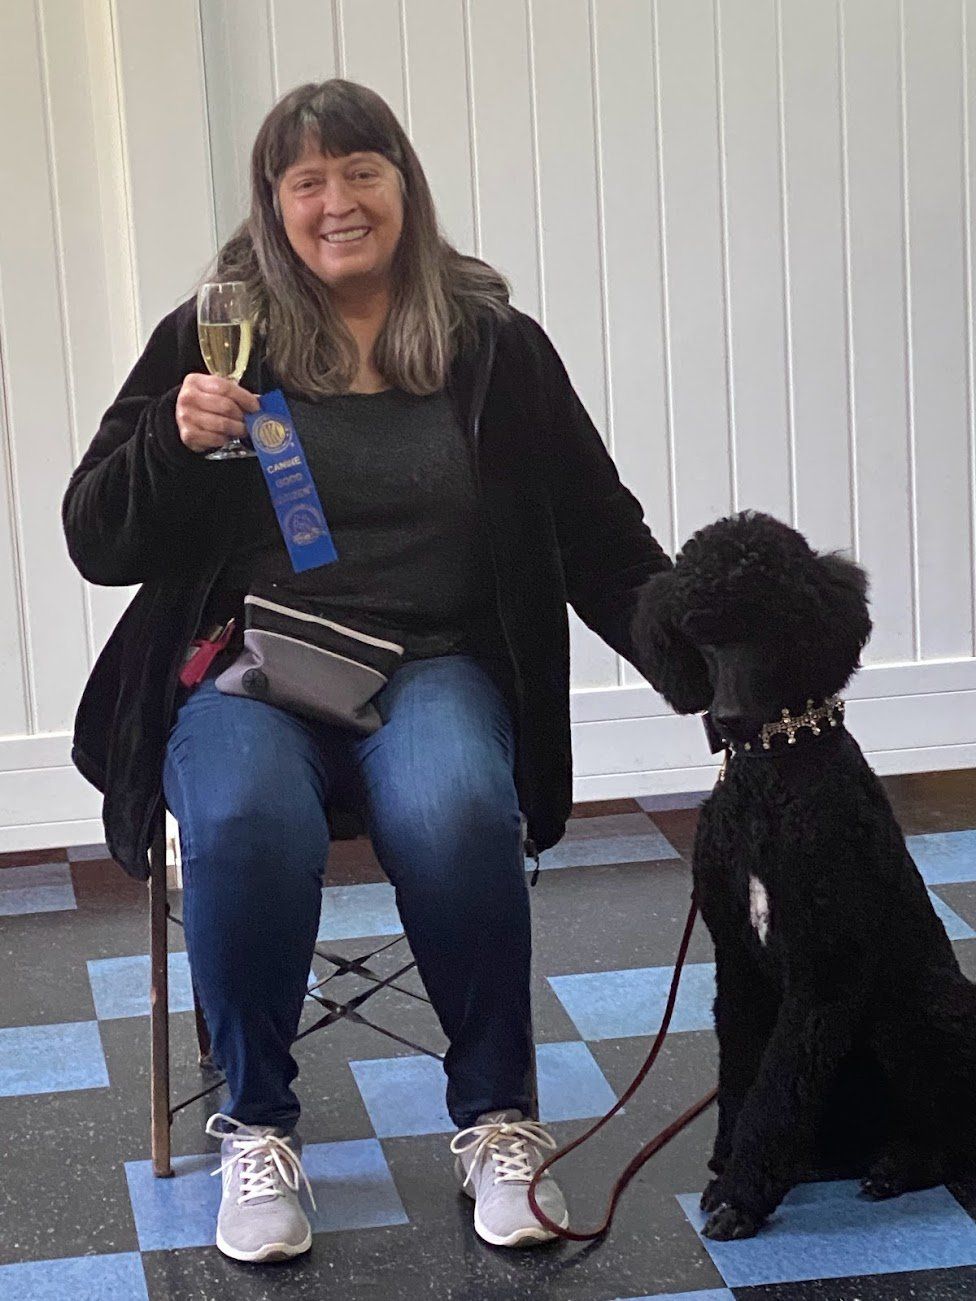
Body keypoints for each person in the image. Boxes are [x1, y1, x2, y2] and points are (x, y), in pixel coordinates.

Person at [62, 79, 671, 1264]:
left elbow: (599, 534)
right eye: (307, 182)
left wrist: (702, 659)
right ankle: (258, 1128)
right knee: (239, 814)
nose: (337, 201)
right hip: (252, 668)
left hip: (435, 663)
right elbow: (97, 539)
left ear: (406, 185)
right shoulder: (212, 336)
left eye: (362, 172)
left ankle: (496, 1116)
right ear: (273, 205)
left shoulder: (495, 348)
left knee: (450, 804)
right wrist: (173, 445)